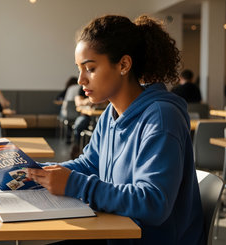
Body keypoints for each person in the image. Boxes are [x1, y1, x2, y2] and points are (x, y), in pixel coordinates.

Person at [28, 15, 205, 244]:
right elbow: (90, 164)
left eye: (90, 68)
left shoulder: (161, 117)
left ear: (123, 65)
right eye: (79, 69)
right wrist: (36, 173)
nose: (81, 80)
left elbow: (154, 203)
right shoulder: (110, 115)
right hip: (116, 233)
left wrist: (73, 183)